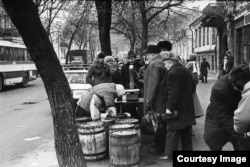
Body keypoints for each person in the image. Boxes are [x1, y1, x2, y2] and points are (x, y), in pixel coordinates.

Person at [204, 64, 250, 151]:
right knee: (214, 143)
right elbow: (223, 116)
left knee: (244, 145)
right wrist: (239, 133)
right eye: (239, 89)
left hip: (240, 114)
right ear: (233, 83)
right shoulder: (219, 89)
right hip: (218, 117)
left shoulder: (246, 79)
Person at [159, 53, 196, 160]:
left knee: (172, 129)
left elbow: (173, 92)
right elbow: (193, 86)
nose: (165, 67)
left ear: (170, 62)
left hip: (177, 107)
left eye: (165, 64)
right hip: (187, 106)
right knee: (185, 131)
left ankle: (169, 154)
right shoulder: (185, 70)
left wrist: (169, 108)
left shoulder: (173, 73)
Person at [143, 45, 168, 154]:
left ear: (152, 54)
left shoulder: (154, 64)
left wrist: (149, 101)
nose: (146, 56)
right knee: (160, 122)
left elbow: (153, 85)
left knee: (157, 122)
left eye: (147, 54)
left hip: (157, 99)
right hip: (162, 98)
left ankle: (159, 146)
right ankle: (160, 144)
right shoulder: (161, 62)